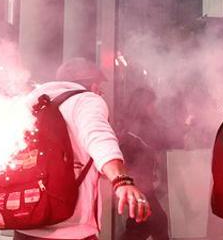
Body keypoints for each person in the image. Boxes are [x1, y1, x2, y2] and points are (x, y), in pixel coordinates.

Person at [17, 58, 151, 240]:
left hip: (25, 225)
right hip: (71, 228)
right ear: (93, 85)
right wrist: (122, 181)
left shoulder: (29, 104)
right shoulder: (86, 101)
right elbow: (98, 136)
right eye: (100, 88)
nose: (101, 93)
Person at [116, 85, 170, 240]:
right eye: (151, 104)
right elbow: (130, 159)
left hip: (142, 186)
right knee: (157, 222)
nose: (154, 107)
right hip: (140, 187)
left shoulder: (140, 126)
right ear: (142, 105)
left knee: (140, 226)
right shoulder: (133, 131)